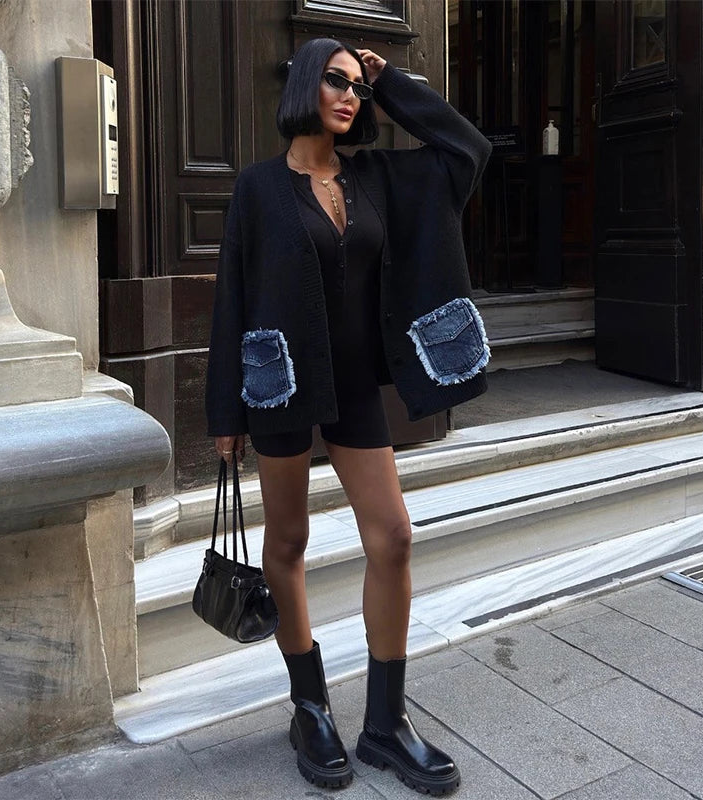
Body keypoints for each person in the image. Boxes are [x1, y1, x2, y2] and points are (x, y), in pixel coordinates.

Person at [206, 38, 491, 796]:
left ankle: (384, 724)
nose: (349, 95)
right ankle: (310, 707)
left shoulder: (379, 178)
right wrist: (222, 409)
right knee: (289, 540)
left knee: (393, 536)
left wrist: (391, 79)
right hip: (279, 381)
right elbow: (232, 295)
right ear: (305, 82)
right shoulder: (259, 188)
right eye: (336, 80)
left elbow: (467, 147)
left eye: (358, 87)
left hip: (358, 385)